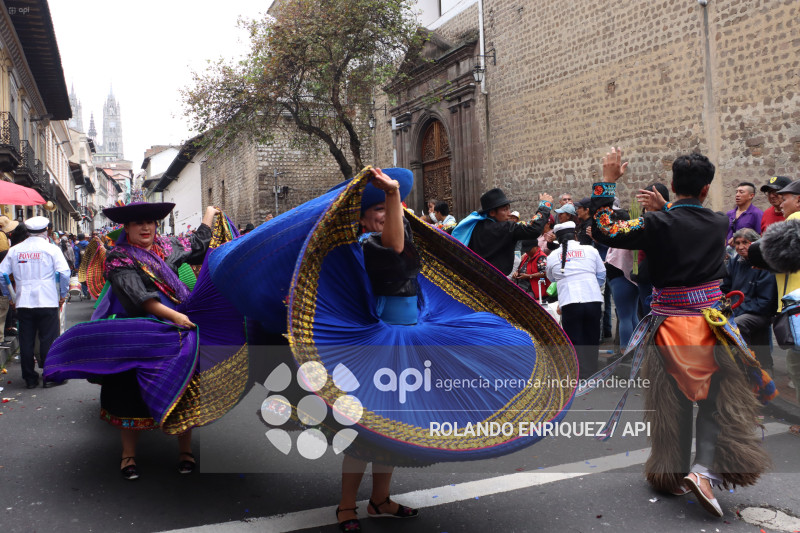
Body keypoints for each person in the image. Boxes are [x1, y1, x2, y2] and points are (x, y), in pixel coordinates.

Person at [590, 148, 770, 518]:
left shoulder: (655, 224)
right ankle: (703, 470)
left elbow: (605, 229)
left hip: (667, 325)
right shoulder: (719, 222)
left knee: (670, 403)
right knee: (716, 398)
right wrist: (668, 209)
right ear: (706, 189)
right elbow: (687, 221)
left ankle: (669, 473)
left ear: (672, 185)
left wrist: (607, 183)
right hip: (710, 325)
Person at [0, 216, 71, 389]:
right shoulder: (51, 249)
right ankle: (50, 375)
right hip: (48, 300)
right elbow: (64, 273)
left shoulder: (15, 250)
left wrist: (10, 296)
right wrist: (62, 294)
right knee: (48, 339)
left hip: (23, 301)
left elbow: (2, 274)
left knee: (26, 341)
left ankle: (29, 379)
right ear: (46, 231)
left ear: (28, 231)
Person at [748, 178, 800, 402]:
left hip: (796, 306)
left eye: (784, 197)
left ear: (798, 201)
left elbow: (759, 252)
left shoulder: (795, 219)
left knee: (795, 366)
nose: (780, 201)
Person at [546, 221, 606, 379]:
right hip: (593, 298)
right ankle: (592, 371)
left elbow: (551, 277)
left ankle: (580, 372)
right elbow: (601, 274)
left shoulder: (552, 256)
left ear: (558, 239)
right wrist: (592, 286)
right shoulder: (591, 250)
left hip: (569, 301)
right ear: (575, 235)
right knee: (592, 336)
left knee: (574, 338)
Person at [453, 187, 552, 275]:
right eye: (505, 210)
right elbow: (533, 229)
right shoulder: (504, 228)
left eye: (509, 209)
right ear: (492, 212)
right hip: (493, 281)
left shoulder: (473, 227)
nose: (509, 213)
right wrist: (544, 206)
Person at [720, 228, 778, 374]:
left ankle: (749, 365)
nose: (740, 247)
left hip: (759, 313)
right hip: (739, 309)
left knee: (738, 323)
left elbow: (765, 302)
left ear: (755, 243)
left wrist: (736, 310)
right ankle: (734, 365)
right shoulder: (735, 262)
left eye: (745, 242)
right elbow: (725, 288)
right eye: (737, 243)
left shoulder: (763, 263)